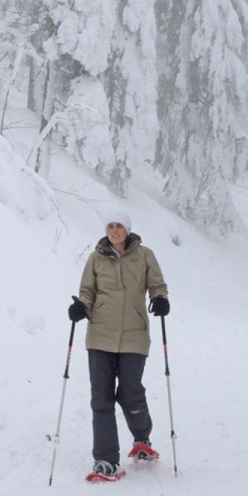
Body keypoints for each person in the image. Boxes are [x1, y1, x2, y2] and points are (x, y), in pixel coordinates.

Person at [68, 206, 170, 481]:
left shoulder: (144, 255)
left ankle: (142, 439)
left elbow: (157, 285)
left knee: (130, 392)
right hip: (100, 334)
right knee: (100, 398)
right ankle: (105, 460)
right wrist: (81, 307)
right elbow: (87, 291)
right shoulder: (95, 259)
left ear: (127, 229)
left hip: (134, 335)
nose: (114, 230)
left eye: (119, 226)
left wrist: (160, 299)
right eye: (110, 226)